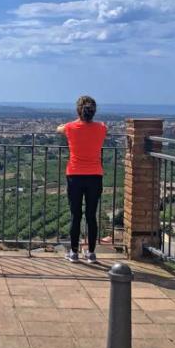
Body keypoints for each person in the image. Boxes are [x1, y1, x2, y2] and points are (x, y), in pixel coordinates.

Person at [56, 95, 107, 263]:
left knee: (75, 215)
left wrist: (70, 123)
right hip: (95, 176)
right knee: (91, 216)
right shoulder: (101, 128)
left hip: (75, 176)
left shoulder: (70, 127)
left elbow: (58, 129)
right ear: (94, 112)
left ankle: (74, 252)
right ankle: (91, 253)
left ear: (78, 111)